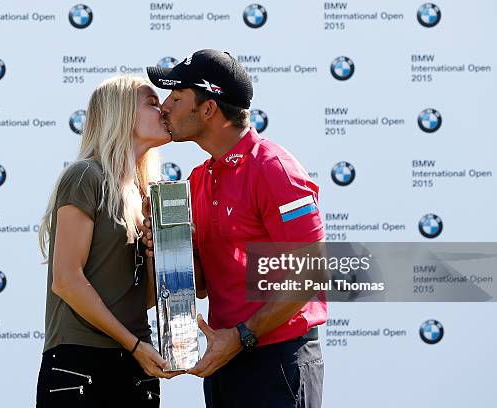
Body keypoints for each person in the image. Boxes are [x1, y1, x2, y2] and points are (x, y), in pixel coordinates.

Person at [143, 50, 327, 407]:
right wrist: (168, 250)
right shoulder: (198, 179)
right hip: (227, 360)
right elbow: (202, 285)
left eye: (176, 97)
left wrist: (243, 335)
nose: (164, 106)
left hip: (278, 360)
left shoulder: (275, 169)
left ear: (209, 109)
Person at [35, 75, 179, 407]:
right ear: (122, 112)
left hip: (137, 368)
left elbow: (141, 299)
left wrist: (157, 253)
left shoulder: (148, 194)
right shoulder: (86, 176)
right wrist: (134, 345)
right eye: (153, 103)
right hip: (81, 367)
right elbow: (67, 280)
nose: (165, 111)